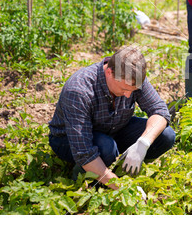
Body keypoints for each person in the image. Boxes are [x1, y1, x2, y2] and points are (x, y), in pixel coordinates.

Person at [48, 44, 175, 190]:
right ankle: (83, 179)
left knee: (166, 135)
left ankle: (125, 169)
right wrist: (123, 188)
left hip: (114, 128)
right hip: (69, 141)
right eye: (124, 89)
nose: (128, 95)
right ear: (109, 72)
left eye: (132, 90)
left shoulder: (133, 78)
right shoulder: (79, 90)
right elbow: (83, 152)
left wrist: (143, 143)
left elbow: (159, 110)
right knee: (106, 148)